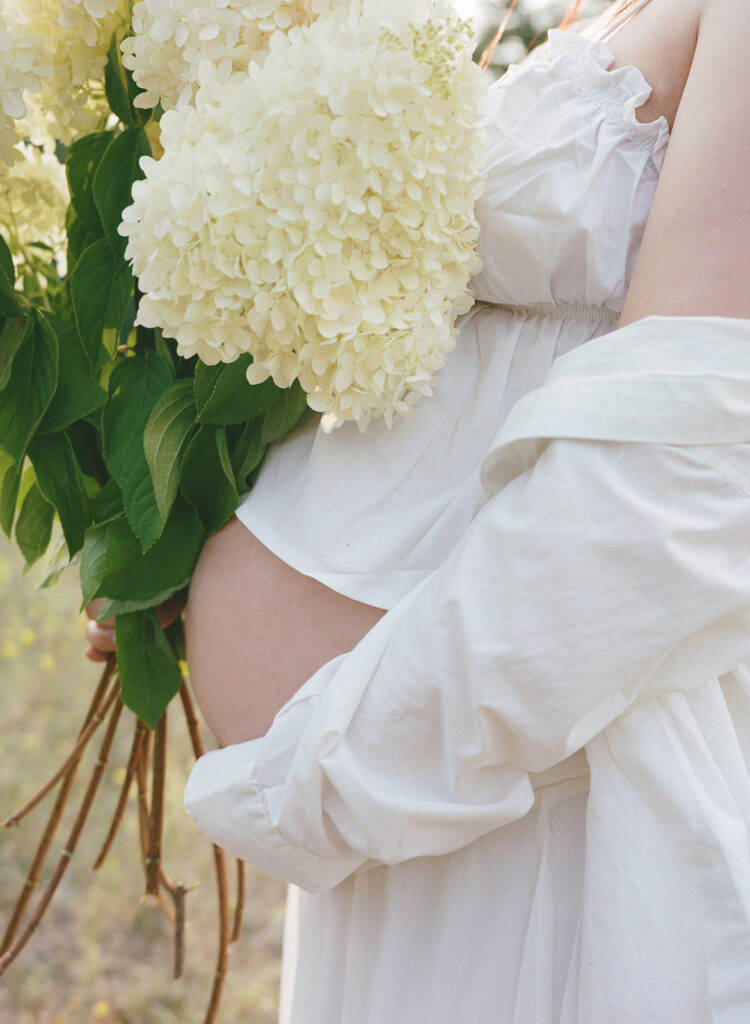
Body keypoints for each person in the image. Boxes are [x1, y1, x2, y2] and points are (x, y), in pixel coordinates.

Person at [86, 0, 750, 1020]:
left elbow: (683, 460)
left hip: (520, 786)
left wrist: (331, 766)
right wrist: (202, 534)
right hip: (436, 801)